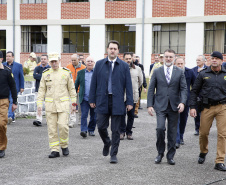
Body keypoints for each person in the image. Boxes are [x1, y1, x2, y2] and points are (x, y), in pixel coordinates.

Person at [89, 40, 133, 164]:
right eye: (110, 48)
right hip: (102, 100)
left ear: (118, 51)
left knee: (116, 130)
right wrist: (92, 99)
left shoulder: (124, 66)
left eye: (115, 48)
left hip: (117, 101)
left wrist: (129, 101)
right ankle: (107, 142)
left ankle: (113, 154)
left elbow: (128, 85)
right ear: (107, 50)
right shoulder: (99, 64)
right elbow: (94, 83)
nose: (112, 50)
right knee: (101, 126)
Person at [147, 49, 187, 165]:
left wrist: (183, 102)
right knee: (160, 129)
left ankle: (170, 156)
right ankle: (160, 153)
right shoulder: (157, 71)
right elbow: (151, 89)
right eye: (166, 57)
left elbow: (184, 89)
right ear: (163, 58)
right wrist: (149, 105)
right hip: (160, 105)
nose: (168, 59)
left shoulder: (179, 72)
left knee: (172, 132)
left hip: (175, 106)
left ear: (174, 58)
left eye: (170, 57)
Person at [190, 51, 226, 171]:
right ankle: (203, 151)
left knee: (222, 134)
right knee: (203, 133)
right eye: (212, 58)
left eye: (217, 58)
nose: (214, 60)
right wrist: (193, 107)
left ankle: (219, 161)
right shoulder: (203, 74)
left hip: (222, 107)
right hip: (207, 107)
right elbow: (194, 91)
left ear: (221, 60)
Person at [37, 52, 77, 158]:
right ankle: (54, 149)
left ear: (59, 61)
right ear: (50, 62)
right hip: (50, 106)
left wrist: (74, 104)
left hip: (63, 105)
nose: (54, 63)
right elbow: (41, 90)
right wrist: (39, 105)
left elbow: (72, 89)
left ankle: (64, 146)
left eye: (55, 61)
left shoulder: (66, 73)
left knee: (63, 126)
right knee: (52, 129)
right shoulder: (45, 74)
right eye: (52, 61)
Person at [120, 52, 143, 140]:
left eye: (130, 58)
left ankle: (129, 132)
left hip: (133, 95)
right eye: (127, 59)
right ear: (124, 59)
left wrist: (135, 88)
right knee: (122, 114)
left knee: (131, 115)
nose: (128, 60)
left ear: (132, 59)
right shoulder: (120, 68)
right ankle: (122, 132)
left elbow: (140, 81)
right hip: (122, 96)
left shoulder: (137, 69)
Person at [174, 57, 196, 149]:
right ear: (175, 64)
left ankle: (181, 136)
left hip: (186, 100)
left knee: (183, 120)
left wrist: (193, 101)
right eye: (178, 63)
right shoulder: (172, 72)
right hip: (174, 100)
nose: (180, 65)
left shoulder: (189, 72)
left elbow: (195, 86)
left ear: (184, 63)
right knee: (175, 120)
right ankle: (177, 140)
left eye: (181, 63)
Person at [0, 51, 18, 158]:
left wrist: (15, 102)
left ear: (1, 59)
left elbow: (13, 87)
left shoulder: (7, 71)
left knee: (1, 124)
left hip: (3, 101)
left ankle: (2, 147)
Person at [75, 56, 96, 138]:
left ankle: (91, 130)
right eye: (88, 61)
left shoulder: (97, 73)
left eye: (91, 61)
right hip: (84, 98)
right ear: (85, 63)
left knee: (94, 116)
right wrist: (73, 95)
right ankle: (83, 130)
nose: (90, 62)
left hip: (94, 99)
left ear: (94, 63)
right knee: (84, 115)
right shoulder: (80, 73)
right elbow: (76, 85)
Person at [3, 51, 24, 124]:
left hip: (14, 87)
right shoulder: (3, 65)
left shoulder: (18, 66)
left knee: (12, 101)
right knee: (7, 102)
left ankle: (9, 117)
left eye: (9, 56)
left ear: (13, 57)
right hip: (5, 87)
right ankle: (12, 116)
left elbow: (21, 77)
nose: (7, 57)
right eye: (7, 56)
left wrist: (22, 87)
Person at [67, 54, 86, 127]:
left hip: (80, 90)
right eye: (72, 60)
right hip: (71, 90)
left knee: (81, 106)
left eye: (74, 60)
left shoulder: (84, 67)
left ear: (78, 60)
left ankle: (80, 121)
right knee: (72, 105)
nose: (73, 61)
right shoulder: (68, 67)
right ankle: (71, 121)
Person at [33, 54, 51, 127]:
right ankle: (39, 119)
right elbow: (35, 76)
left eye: (44, 59)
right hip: (39, 89)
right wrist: (44, 76)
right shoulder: (37, 68)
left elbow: (50, 77)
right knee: (39, 105)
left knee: (48, 105)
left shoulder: (50, 68)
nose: (43, 60)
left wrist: (40, 76)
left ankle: (48, 120)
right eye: (42, 59)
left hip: (48, 90)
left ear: (47, 60)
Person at [192, 55, 207, 136]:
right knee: (197, 113)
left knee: (206, 113)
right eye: (197, 60)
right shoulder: (193, 70)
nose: (197, 62)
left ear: (204, 61)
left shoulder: (209, 69)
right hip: (197, 94)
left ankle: (205, 128)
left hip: (206, 94)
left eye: (199, 60)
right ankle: (197, 129)